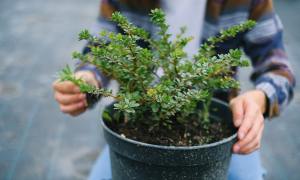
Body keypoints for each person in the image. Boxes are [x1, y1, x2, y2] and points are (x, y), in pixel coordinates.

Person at [53, 0, 295, 179]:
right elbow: (100, 50)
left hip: (216, 123)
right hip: (138, 120)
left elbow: (279, 69)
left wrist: (260, 98)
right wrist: (87, 79)